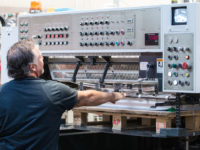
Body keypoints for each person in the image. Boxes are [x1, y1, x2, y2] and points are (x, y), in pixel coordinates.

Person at [0, 39, 125, 150]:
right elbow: (88, 97)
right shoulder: (52, 92)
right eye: (41, 57)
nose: (43, 60)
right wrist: (113, 96)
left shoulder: (2, 93)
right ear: (33, 67)